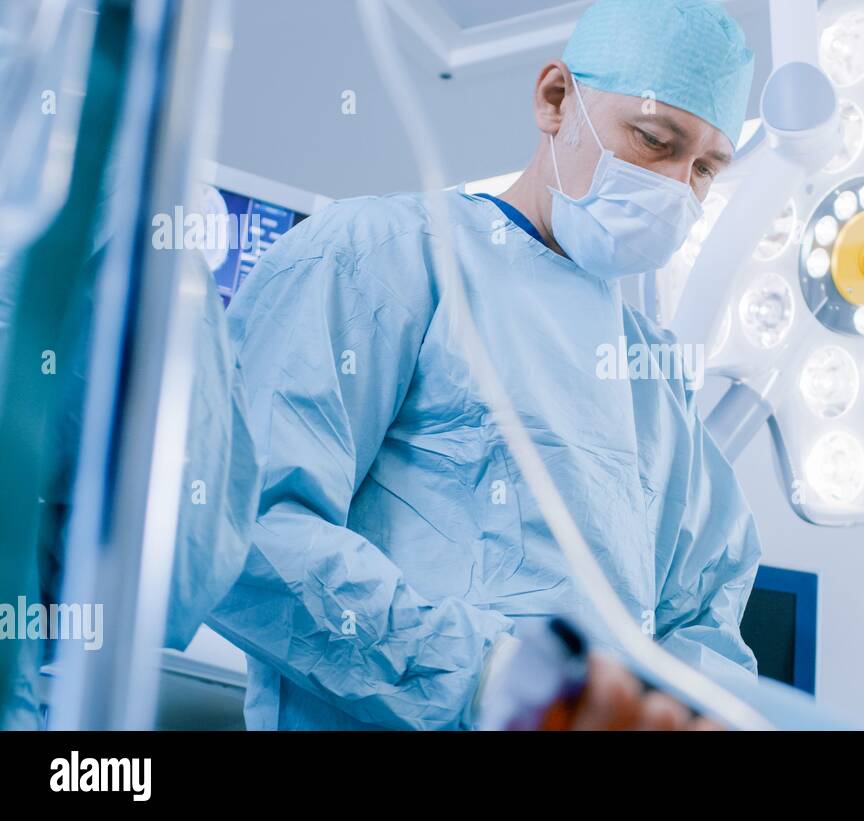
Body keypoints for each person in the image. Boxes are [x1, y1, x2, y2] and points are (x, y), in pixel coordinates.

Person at [209, 0, 760, 730]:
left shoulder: (655, 379)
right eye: (656, 140)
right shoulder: (379, 255)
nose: (676, 187)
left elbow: (706, 619)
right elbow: (244, 523)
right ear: (556, 99)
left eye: (706, 170)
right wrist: (488, 680)